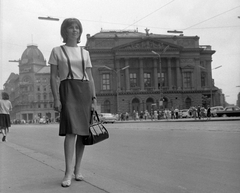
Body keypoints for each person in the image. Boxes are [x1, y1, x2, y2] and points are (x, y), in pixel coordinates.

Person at [49, 18, 97, 188]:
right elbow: (53, 77)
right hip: (67, 90)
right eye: (71, 28)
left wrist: (93, 99)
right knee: (71, 132)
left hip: (84, 91)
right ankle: (68, 172)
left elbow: (90, 78)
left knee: (82, 133)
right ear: (65, 31)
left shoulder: (85, 53)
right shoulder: (57, 51)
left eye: (77, 28)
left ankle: (78, 169)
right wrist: (56, 98)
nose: (75, 30)